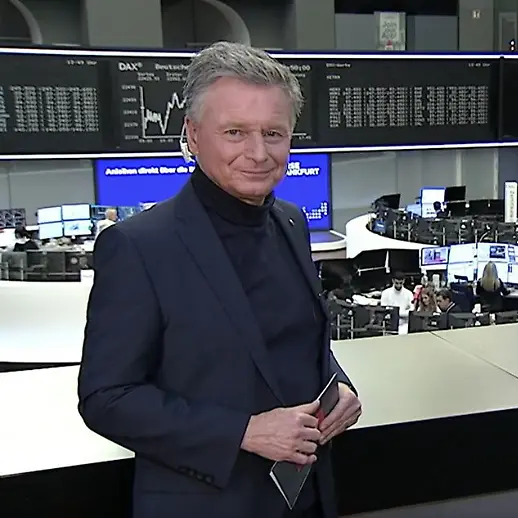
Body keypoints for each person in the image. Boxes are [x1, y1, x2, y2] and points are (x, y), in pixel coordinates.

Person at [77, 42, 362, 518]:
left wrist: (340, 388)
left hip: (307, 498)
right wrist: (243, 432)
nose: (258, 153)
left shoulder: (290, 223)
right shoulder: (138, 246)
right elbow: (106, 398)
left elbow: (293, 342)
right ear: (192, 134)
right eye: (235, 132)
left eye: (274, 133)